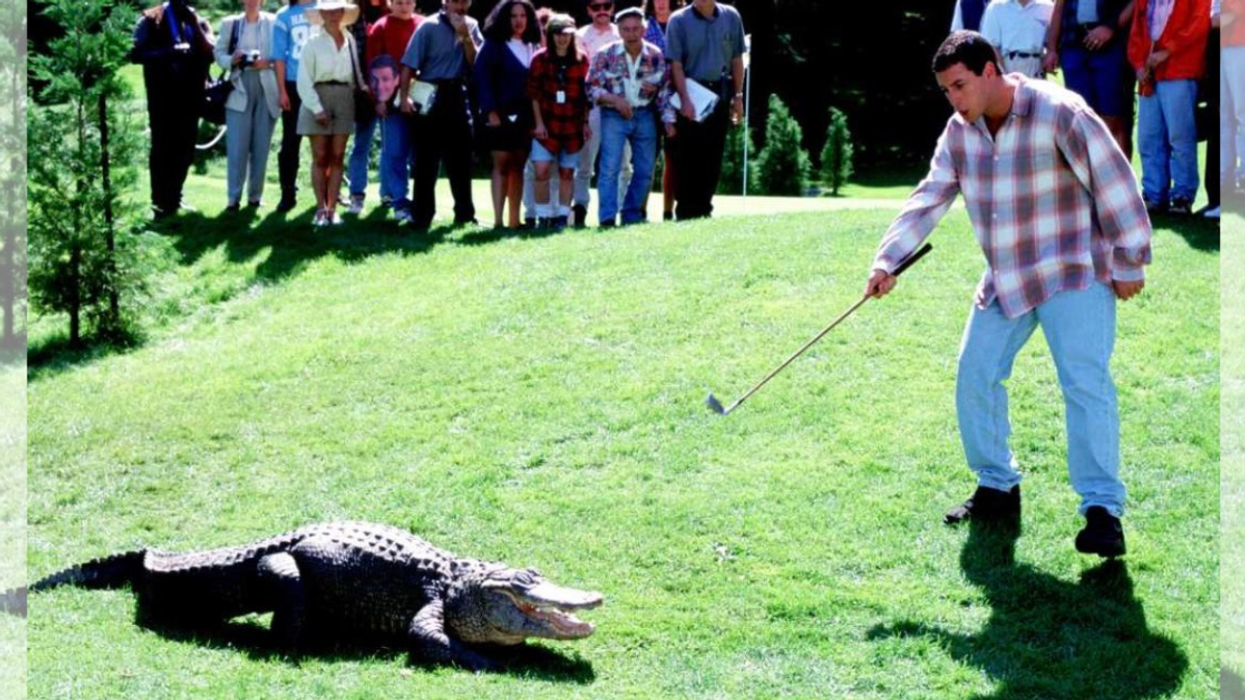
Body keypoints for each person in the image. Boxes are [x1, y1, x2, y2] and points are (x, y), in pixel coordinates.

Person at [865, 31, 1150, 557]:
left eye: (961, 86)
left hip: (1074, 269)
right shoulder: (959, 133)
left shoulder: (1059, 111)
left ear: (991, 70)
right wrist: (889, 260)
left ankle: (1103, 512)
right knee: (975, 372)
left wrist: (1130, 259)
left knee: (1085, 385)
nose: (955, 100)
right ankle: (997, 486)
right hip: (1007, 277)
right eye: (947, 91)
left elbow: (1115, 181)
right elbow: (929, 198)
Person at [399, 0, 483, 230]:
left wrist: (465, 35)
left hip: (457, 92)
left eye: (464, 1)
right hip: (430, 92)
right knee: (426, 159)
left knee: (462, 159)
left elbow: (476, 64)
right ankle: (422, 216)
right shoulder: (428, 26)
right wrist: (404, 96)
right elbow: (408, 64)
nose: (460, 6)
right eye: (456, 1)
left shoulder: (472, 25)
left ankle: (465, 215)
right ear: (445, 3)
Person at [587, 8, 672, 227]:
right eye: (626, 29)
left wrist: (668, 120)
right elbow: (591, 87)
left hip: (645, 113)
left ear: (643, 29)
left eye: (636, 29)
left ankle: (632, 215)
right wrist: (614, 100)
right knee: (609, 167)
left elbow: (663, 92)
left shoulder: (655, 55)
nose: (631, 34)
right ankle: (606, 217)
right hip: (613, 114)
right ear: (619, 31)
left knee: (645, 170)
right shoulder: (605, 54)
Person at [131, 0, 215, 220]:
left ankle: (175, 197)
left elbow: (211, 53)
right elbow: (134, 54)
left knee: (186, 150)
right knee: (162, 150)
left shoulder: (198, 20)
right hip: (162, 98)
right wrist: (169, 53)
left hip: (191, 97)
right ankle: (160, 204)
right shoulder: (150, 19)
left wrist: (195, 24)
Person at [1127, 0, 1210, 216]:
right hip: (1148, 74)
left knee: (1180, 136)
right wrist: (1137, 65)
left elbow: (1198, 25)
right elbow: (1136, 31)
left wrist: (1167, 51)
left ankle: (1182, 195)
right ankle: (1154, 194)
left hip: (1180, 70)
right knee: (1148, 137)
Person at [665, 0, 745, 221]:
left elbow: (737, 59)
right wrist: (685, 99)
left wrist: (738, 96)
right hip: (691, 92)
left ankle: (704, 210)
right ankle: (685, 212)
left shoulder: (731, 16)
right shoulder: (679, 20)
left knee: (713, 155)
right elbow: (676, 64)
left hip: (720, 92)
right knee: (687, 156)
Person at [296, 0, 368, 226]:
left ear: (343, 12)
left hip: (344, 98)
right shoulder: (312, 43)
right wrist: (317, 108)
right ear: (321, 14)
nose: (334, 14)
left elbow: (355, 74)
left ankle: (332, 209)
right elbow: (303, 80)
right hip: (317, 95)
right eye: (329, 10)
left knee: (337, 157)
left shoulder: (350, 40)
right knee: (320, 157)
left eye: (338, 9)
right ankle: (320, 209)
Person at [475, 0, 541, 230]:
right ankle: (498, 222)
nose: (519, 20)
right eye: (513, 15)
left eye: (523, 15)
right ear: (505, 18)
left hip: (526, 117)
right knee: (501, 165)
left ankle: (514, 221)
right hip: (499, 115)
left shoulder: (533, 45)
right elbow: (482, 79)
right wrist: (490, 111)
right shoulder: (493, 45)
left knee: (518, 166)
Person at [1043, 0, 1137, 158]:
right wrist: (1052, 48)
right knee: (1081, 119)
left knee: (1114, 119)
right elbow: (1059, 7)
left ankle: (1121, 178)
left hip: (1112, 46)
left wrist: (1111, 26)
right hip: (1073, 46)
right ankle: (1090, 178)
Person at [215, 0, 281, 211]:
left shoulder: (274, 22)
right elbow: (218, 53)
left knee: (261, 146)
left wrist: (268, 62)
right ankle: (233, 198)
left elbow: (282, 54)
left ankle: (255, 197)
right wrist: (231, 60)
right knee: (237, 147)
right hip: (238, 87)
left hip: (267, 87)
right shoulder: (230, 24)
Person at [528, 13, 592, 230]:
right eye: (557, 34)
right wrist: (538, 124)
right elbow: (533, 94)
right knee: (541, 170)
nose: (562, 39)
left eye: (566, 34)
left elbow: (586, 97)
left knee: (567, 172)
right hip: (546, 123)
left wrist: (585, 123)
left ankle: (562, 217)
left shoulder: (582, 60)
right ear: (551, 35)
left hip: (572, 124)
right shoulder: (540, 59)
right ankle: (542, 215)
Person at [366, 0, 422, 222]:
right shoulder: (381, 26)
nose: (404, 6)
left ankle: (420, 203)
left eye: (408, 2)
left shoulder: (423, 25)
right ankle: (399, 201)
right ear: (391, 4)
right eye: (399, 2)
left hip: (420, 99)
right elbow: (372, 66)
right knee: (394, 152)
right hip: (390, 100)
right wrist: (377, 99)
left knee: (421, 156)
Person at [572, 0, 626, 228]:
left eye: (606, 5)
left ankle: (625, 210)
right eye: (596, 6)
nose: (602, 11)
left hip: (621, 105)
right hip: (592, 105)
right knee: (585, 164)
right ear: (588, 9)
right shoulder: (580, 35)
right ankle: (580, 210)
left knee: (624, 164)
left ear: (613, 8)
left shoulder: (623, 33)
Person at [344, 0, 389, 214]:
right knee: (361, 144)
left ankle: (389, 194)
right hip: (362, 90)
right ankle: (356, 194)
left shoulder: (389, 13)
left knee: (392, 146)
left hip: (389, 89)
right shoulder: (353, 14)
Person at [272, 0, 317, 212]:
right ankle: (288, 193)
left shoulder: (327, 7)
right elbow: (279, 57)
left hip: (321, 82)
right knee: (291, 141)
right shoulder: (284, 15)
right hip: (293, 83)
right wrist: (281, 90)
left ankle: (327, 192)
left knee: (325, 141)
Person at [643, 0, 686, 220]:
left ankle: (668, 211)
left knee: (673, 159)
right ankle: (639, 210)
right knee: (646, 158)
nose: (660, 4)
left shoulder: (682, 24)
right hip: (647, 101)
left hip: (676, 100)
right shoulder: (642, 27)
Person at [980, 0, 1056, 78]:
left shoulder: (1048, 7)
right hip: (1008, 66)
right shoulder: (996, 7)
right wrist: (1004, 76)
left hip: (1037, 67)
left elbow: (1052, 45)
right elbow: (991, 46)